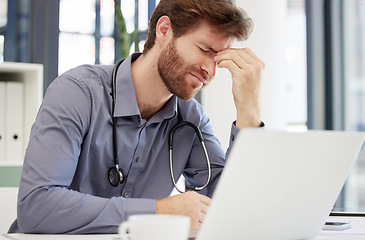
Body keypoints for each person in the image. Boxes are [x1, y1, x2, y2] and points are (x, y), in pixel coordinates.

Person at [9, 0, 265, 234]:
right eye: (204, 49)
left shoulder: (190, 119)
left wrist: (248, 111)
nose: (210, 71)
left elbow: (229, 206)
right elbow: (37, 206)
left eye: (218, 60)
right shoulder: (78, 93)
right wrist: (159, 211)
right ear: (164, 30)